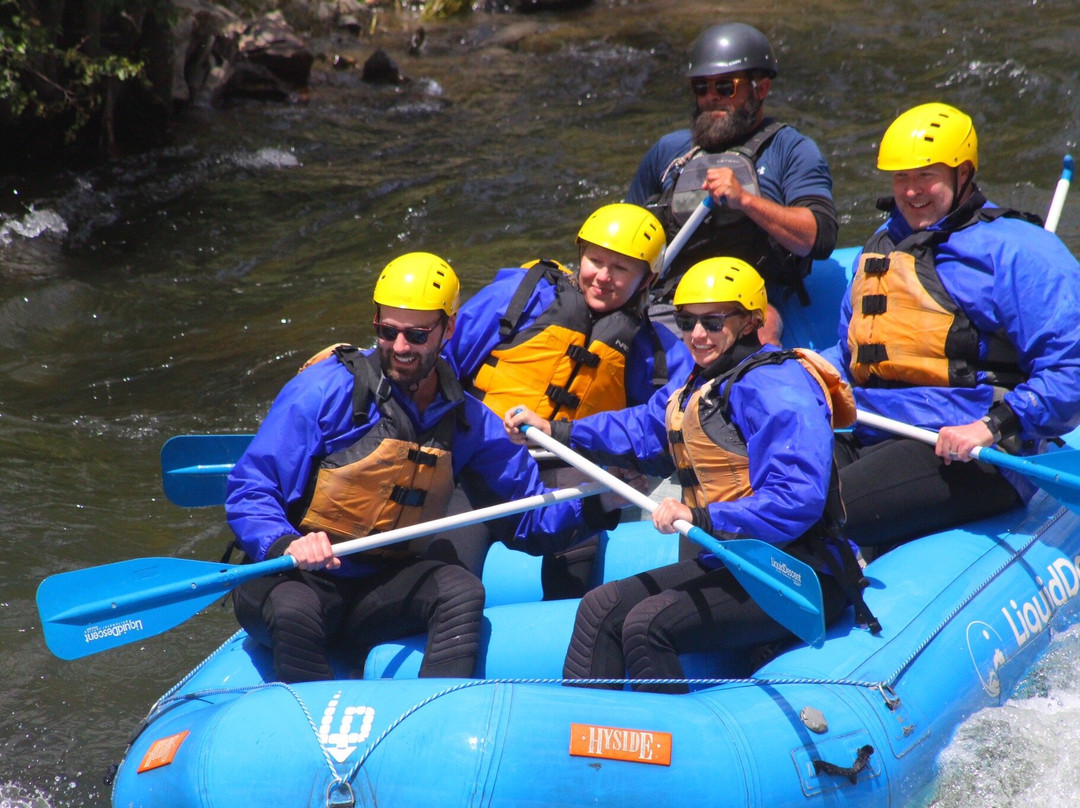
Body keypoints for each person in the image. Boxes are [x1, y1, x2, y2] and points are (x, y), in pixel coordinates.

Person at [225, 252, 620, 684]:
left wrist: (600, 503)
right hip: (295, 578)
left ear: (448, 329)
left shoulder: (469, 421)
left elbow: (528, 517)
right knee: (293, 609)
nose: (399, 347)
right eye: (387, 331)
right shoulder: (323, 392)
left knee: (459, 589)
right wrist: (283, 542)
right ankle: (306, 725)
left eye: (416, 334)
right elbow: (251, 488)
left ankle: (434, 718)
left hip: (375, 591)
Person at [506, 257, 865, 693]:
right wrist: (557, 431)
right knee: (600, 607)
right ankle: (585, 739)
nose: (697, 335)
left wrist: (703, 518)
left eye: (713, 322)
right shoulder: (702, 385)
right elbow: (641, 430)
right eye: (686, 321)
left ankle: (661, 751)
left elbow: (797, 497)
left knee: (646, 624)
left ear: (751, 320)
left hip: (796, 570)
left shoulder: (777, 387)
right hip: (731, 560)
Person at [821, 102, 1080, 551]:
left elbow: (1071, 367)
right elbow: (852, 353)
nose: (911, 190)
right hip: (871, 427)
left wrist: (993, 425)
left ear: (963, 173)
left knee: (821, 511)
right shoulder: (881, 248)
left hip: (968, 446)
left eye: (926, 176)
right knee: (762, 488)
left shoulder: (1019, 251)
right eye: (901, 177)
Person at [444, 203, 693, 598]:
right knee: (448, 569)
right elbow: (441, 361)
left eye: (622, 268)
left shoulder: (654, 353)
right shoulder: (518, 298)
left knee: (575, 562)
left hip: (572, 470)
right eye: (595, 260)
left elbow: (676, 421)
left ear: (648, 280)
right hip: (483, 463)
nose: (602, 277)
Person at [627, 22, 838, 343]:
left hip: (747, 301)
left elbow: (819, 238)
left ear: (761, 89)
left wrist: (746, 201)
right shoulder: (670, 152)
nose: (711, 97)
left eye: (725, 87)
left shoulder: (790, 149)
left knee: (763, 323)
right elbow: (628, 235)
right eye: (701, 87)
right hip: (673, 295)